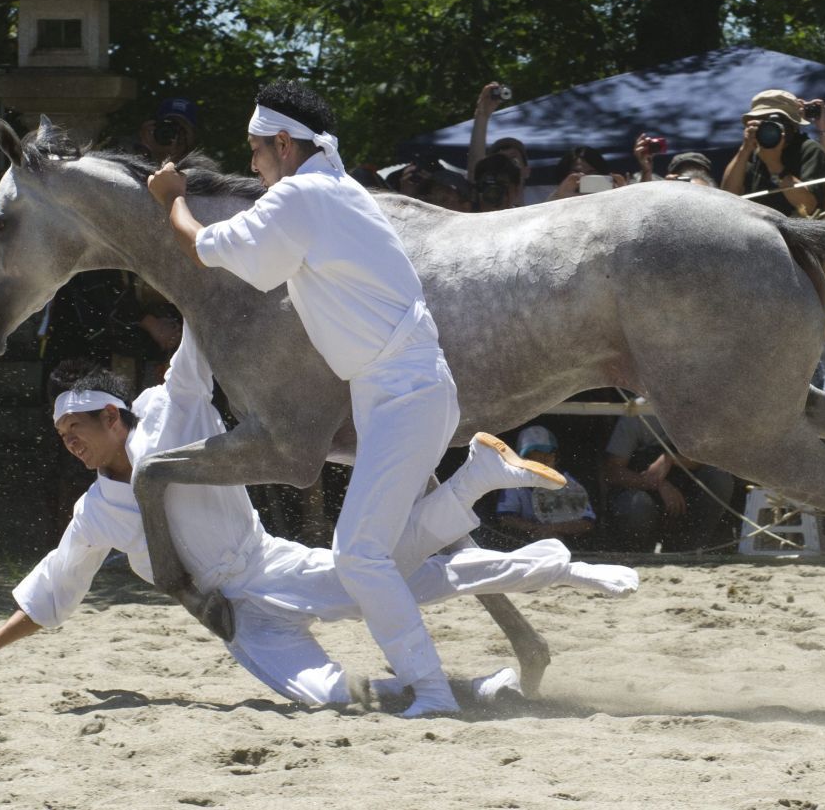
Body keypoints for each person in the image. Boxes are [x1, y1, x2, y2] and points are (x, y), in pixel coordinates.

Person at [0, 331, 639, 711]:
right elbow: (61, 580)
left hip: (266, 563)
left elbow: (194, 354)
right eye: (60, 432)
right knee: (331, 697)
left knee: (407, 577)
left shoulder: (169, 420)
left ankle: (547, 555)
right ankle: (479, 683)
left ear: (113, 414)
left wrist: (191, 257)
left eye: (78, 424)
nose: (69, 438)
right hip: (238, 622)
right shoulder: (94, 509)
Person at [146, 78, 538, 717]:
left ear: (281, 141)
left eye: (254, 150)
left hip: (402, 391)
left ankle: (433, 689)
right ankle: (476, 484)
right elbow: (265, 267)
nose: (250, 163)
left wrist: (174, 200)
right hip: (397, 390)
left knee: (359, 556)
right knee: (369, 552)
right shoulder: (333, 189)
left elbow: (209, 249)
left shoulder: (304, 194)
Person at [601, 412, 736, 553]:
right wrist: (657, 484)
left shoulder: (697, 409)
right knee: (637, 505)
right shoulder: (637, 413)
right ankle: (638, 555)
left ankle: (691, 551)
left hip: (684, 493)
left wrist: (671, 459)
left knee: (719, 478)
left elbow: (711, 457)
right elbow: (612, 472)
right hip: (642, 489)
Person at [721, 89, 825, 217]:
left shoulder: (809, 149)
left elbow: (808, 206)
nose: (770, 128)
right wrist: (744, 149)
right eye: (763, 122)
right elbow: (727, 197)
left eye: (778, 121)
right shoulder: (753, 150)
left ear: (793, 125)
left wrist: (774, 165)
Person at [495, 425, 596, 546]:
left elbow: (587, 522)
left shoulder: (568, 483)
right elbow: (505, 518)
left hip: (567, 544)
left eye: (548, 454)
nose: (543, 459)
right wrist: (536, 529)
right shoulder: (514, 483)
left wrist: (552, 529)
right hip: (526, 542)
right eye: (535, 454)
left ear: (554, 458)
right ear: (521, 459)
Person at [547, 146, 626, 201]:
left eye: (592, 173)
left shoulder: (612, 195)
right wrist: (560, 197)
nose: (584, 177)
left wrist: (625, 194)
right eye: (576, 173)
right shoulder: (558, 196)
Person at [138, 97, 199, 165]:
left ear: (193, 135)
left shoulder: (203, 170)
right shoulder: (132, 161)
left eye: (181, 129)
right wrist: (145, 148)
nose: (174, 134)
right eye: (168, 126)